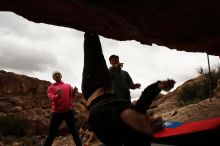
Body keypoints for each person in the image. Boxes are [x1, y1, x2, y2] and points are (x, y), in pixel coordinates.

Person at [81, 32, 175, 146]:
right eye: (113, 60)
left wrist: (133, 86)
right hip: (110, 90)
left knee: (90, 47)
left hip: (92, 89)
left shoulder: (108, 129)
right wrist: (159, 86)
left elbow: (96, 121)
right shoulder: (136, 111)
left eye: (116, 59)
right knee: (96, 46)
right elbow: (146, 97)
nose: (151, 118)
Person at [43, 71, 82, 146]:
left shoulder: (68, 86)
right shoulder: (51, 87)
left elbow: (72, 97)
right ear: (53, 77)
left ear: (61, 76)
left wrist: (74, 93)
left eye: (58, 74)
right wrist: (57, 96)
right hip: (57, 113)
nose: (57, 75)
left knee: (74, 132)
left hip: (69, 112)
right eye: (55, 74)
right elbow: (50, 97)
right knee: (51, 133)